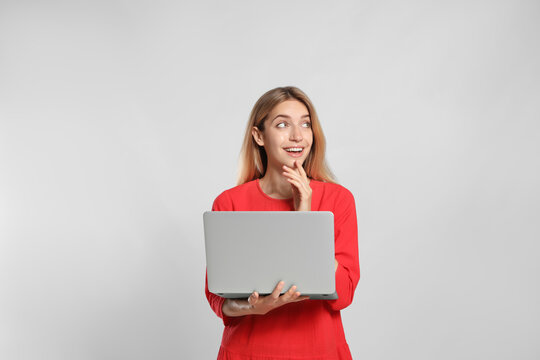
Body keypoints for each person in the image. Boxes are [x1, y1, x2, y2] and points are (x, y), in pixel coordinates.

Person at [205, 86, 360, 359]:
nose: (297, 135)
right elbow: (218, 298)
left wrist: (305, 218)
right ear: (259, 136)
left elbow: (344, 294)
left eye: (305, 124)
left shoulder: (339, 200)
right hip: (247, 352)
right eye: (282, 124)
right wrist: (254, 308)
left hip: (319, 352)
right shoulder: (229, 203)